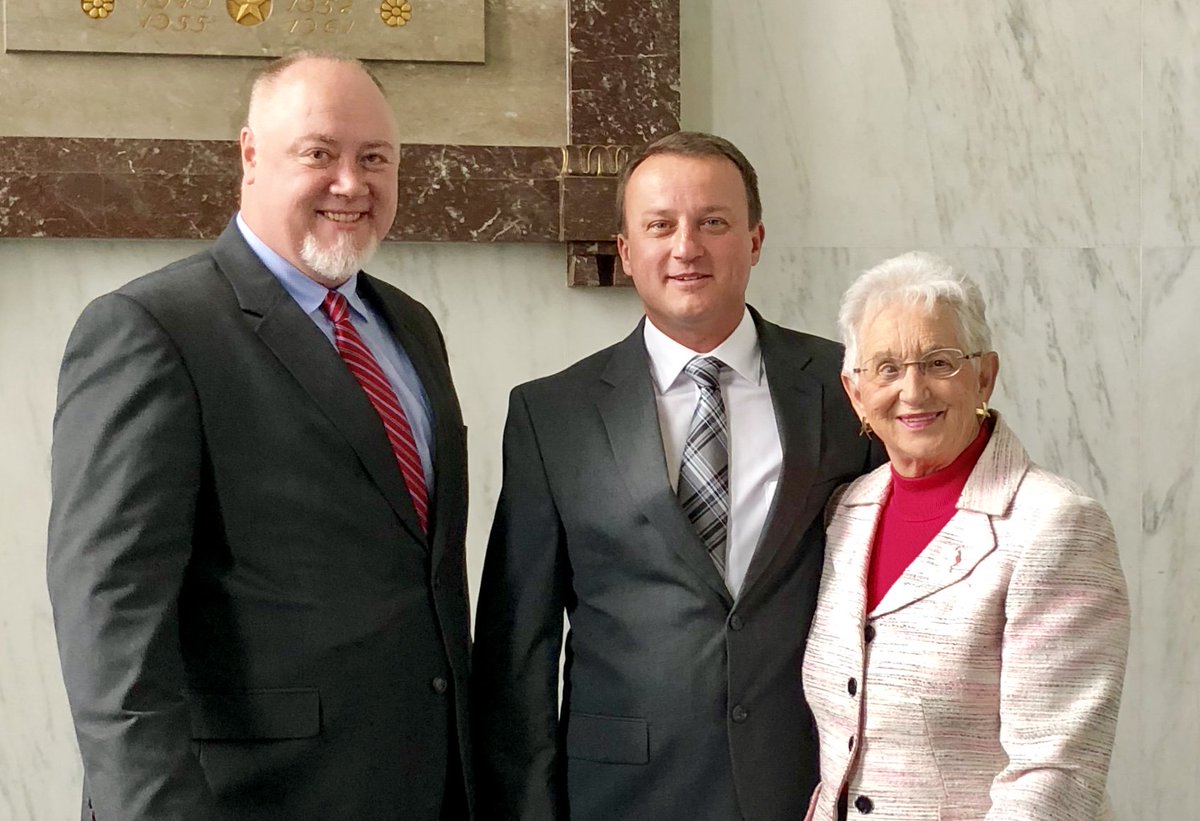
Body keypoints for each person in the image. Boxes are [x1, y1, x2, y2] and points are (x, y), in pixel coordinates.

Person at [47, 52, 472, 821]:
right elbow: (111, 618)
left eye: (375, 158)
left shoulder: (411, 327)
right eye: (320, 153)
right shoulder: (152, 329)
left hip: (426, 785)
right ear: (250, 155)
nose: (351, 183)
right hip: (250, 798)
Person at [471, 131, 879, 821]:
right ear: (627, 250)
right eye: (660, 225)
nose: (686, 247)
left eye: (713, 222)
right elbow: (519, 648)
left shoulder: (848, 389)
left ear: (754, 240)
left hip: (804, 781)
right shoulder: (553, 414)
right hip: (622, 792)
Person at [802, 251, 1129, 820]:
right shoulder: (846, 511)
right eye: (887, 368)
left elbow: (1054, 774)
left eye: (939, 362)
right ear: (855, 393)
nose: (913, 391)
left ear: (984, 376)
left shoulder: (1055, 524)